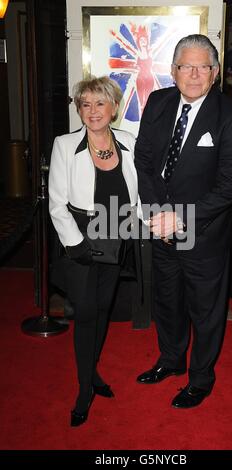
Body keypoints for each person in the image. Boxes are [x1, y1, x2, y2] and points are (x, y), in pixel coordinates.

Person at [134, 34, 232, 409]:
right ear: (173, 71)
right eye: (187, 66)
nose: (195, 74)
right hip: (160, 228)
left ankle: (201, 378)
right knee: (167, 300)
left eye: (204, 67)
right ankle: (170, 361)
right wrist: (156, 213)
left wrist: (178, 219)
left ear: (215, 74)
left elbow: (231, 185)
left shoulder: (231, 116)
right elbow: (144, 161)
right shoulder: (158, 101)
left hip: (203, 234)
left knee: (205, 309)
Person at [48, 76, 139, 426]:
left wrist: (156, 226)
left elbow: (139, 194)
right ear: (79, 110)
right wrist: (75, 245)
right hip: (81, 237)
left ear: (113, 108)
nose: (92, 111)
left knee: (102, 309)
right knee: (86, 312)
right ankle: (84, 388)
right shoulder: (64, 145)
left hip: (116, 235)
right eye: (85, 104)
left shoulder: (128, 142)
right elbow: (57, 204)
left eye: (100, 103)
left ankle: (92, 371)